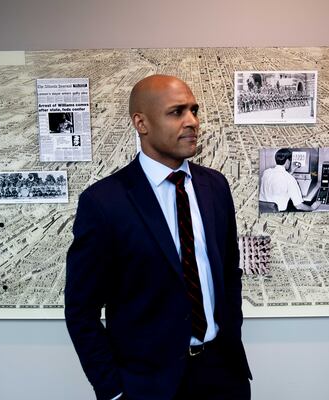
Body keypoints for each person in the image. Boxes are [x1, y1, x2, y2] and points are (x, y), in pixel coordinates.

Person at [65, 75, 251, 400]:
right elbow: (81, 309)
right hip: (148, 387)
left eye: (194, 110)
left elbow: (229, 273)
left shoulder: (215, 187)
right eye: (177, 112)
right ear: (141, 123)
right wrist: (112, 390)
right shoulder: (104, 202)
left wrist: (230, 340)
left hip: (222, 377)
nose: (192, 121)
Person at [259, 148, 320, 212]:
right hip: (280, 212)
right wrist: (312, 208)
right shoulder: (289, 179)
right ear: (287, 161)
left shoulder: (266, 172)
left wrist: (291, 170)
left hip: (263, 210)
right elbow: (299, 206)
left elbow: (279, 177)